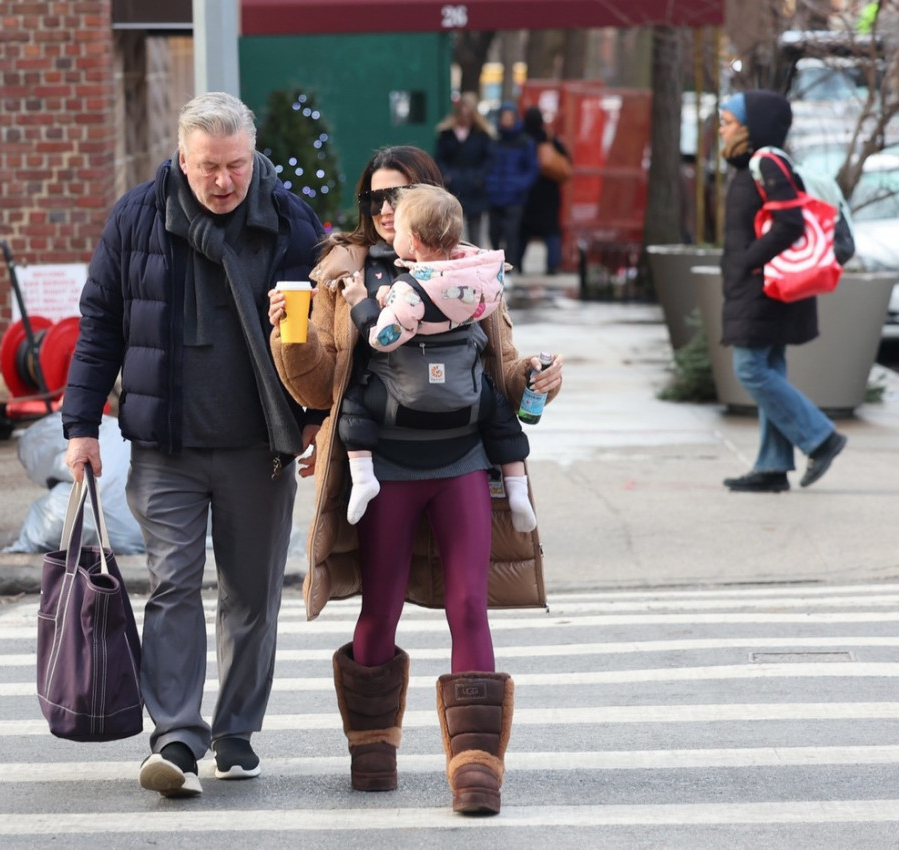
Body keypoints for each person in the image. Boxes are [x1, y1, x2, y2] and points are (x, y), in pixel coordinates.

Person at [266, 145, 564, 815]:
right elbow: (320, 384)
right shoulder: (340, 271)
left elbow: (499, 368)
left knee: (469, 603)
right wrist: (290, 339)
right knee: (382, 607)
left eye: (397, 197)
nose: (383, 211)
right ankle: (372, 748)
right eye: (374, 198)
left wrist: (538, 376)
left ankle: (476, 770)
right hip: (383, 464)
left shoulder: (471, 270)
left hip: (460, 457)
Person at [61, 92, 325, 799]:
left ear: (253, 155)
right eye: (209, 166)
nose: (223, 181)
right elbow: (99, 325)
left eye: (236, 165)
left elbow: (330, 330)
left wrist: (317, 413)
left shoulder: (289, 221)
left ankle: (235, 731)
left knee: (250, 595)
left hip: (258, 445)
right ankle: (177, 736)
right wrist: (80, 426)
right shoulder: (138, 217)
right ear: (182, 158)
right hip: (165, 444)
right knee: (173, 585)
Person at [335, 183, 536, 535]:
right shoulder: (475, 275)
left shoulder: (409, 288)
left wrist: (362, 303)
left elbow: (383, 339)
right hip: (468, 390)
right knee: (501, 414)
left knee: (355, 402)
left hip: (405, 400)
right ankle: (517, 489)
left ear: (412, 241)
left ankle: (363, 476)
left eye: (397, 228)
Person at [716, 90, 847, 493]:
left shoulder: (766, 161)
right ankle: (773, 466)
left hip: (763, 288)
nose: (722, 130)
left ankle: (820, 437)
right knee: (768, 368)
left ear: (750, 126)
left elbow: (789, 222)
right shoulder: (759, 163)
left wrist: (748, 260)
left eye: (728, 122)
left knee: (751, 369)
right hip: (762, 286)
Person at [515, 106, 570, 275]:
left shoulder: (521, 140)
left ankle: (517, 263)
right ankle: (552, 265)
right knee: (551, 231)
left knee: (523, 231)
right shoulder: (550, 139)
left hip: (527, 193)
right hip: (549, 193)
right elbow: (566, 161)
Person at [434, 92, 493, 247]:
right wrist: (447, 176)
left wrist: (479, 178)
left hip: (475, 186)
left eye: (468, 114)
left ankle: (476, 258)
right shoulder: (446, 134)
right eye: (462, 114)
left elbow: (489, 160)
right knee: (452, 226)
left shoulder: (482, 135)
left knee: (475, 228)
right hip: (454, 185)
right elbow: (439, 158)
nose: (465, 118)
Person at [484, 103, 539, 256]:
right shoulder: (494, 140)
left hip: (514, 196)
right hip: (495, 194)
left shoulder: (525, 141)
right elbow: (487, 164)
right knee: (493, 234)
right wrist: (488, 184)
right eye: (504, 117)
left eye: (510, 117)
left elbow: (532, 168)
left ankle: (510, 266)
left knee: (511, 235)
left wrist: (520, 185)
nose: (507, 120)